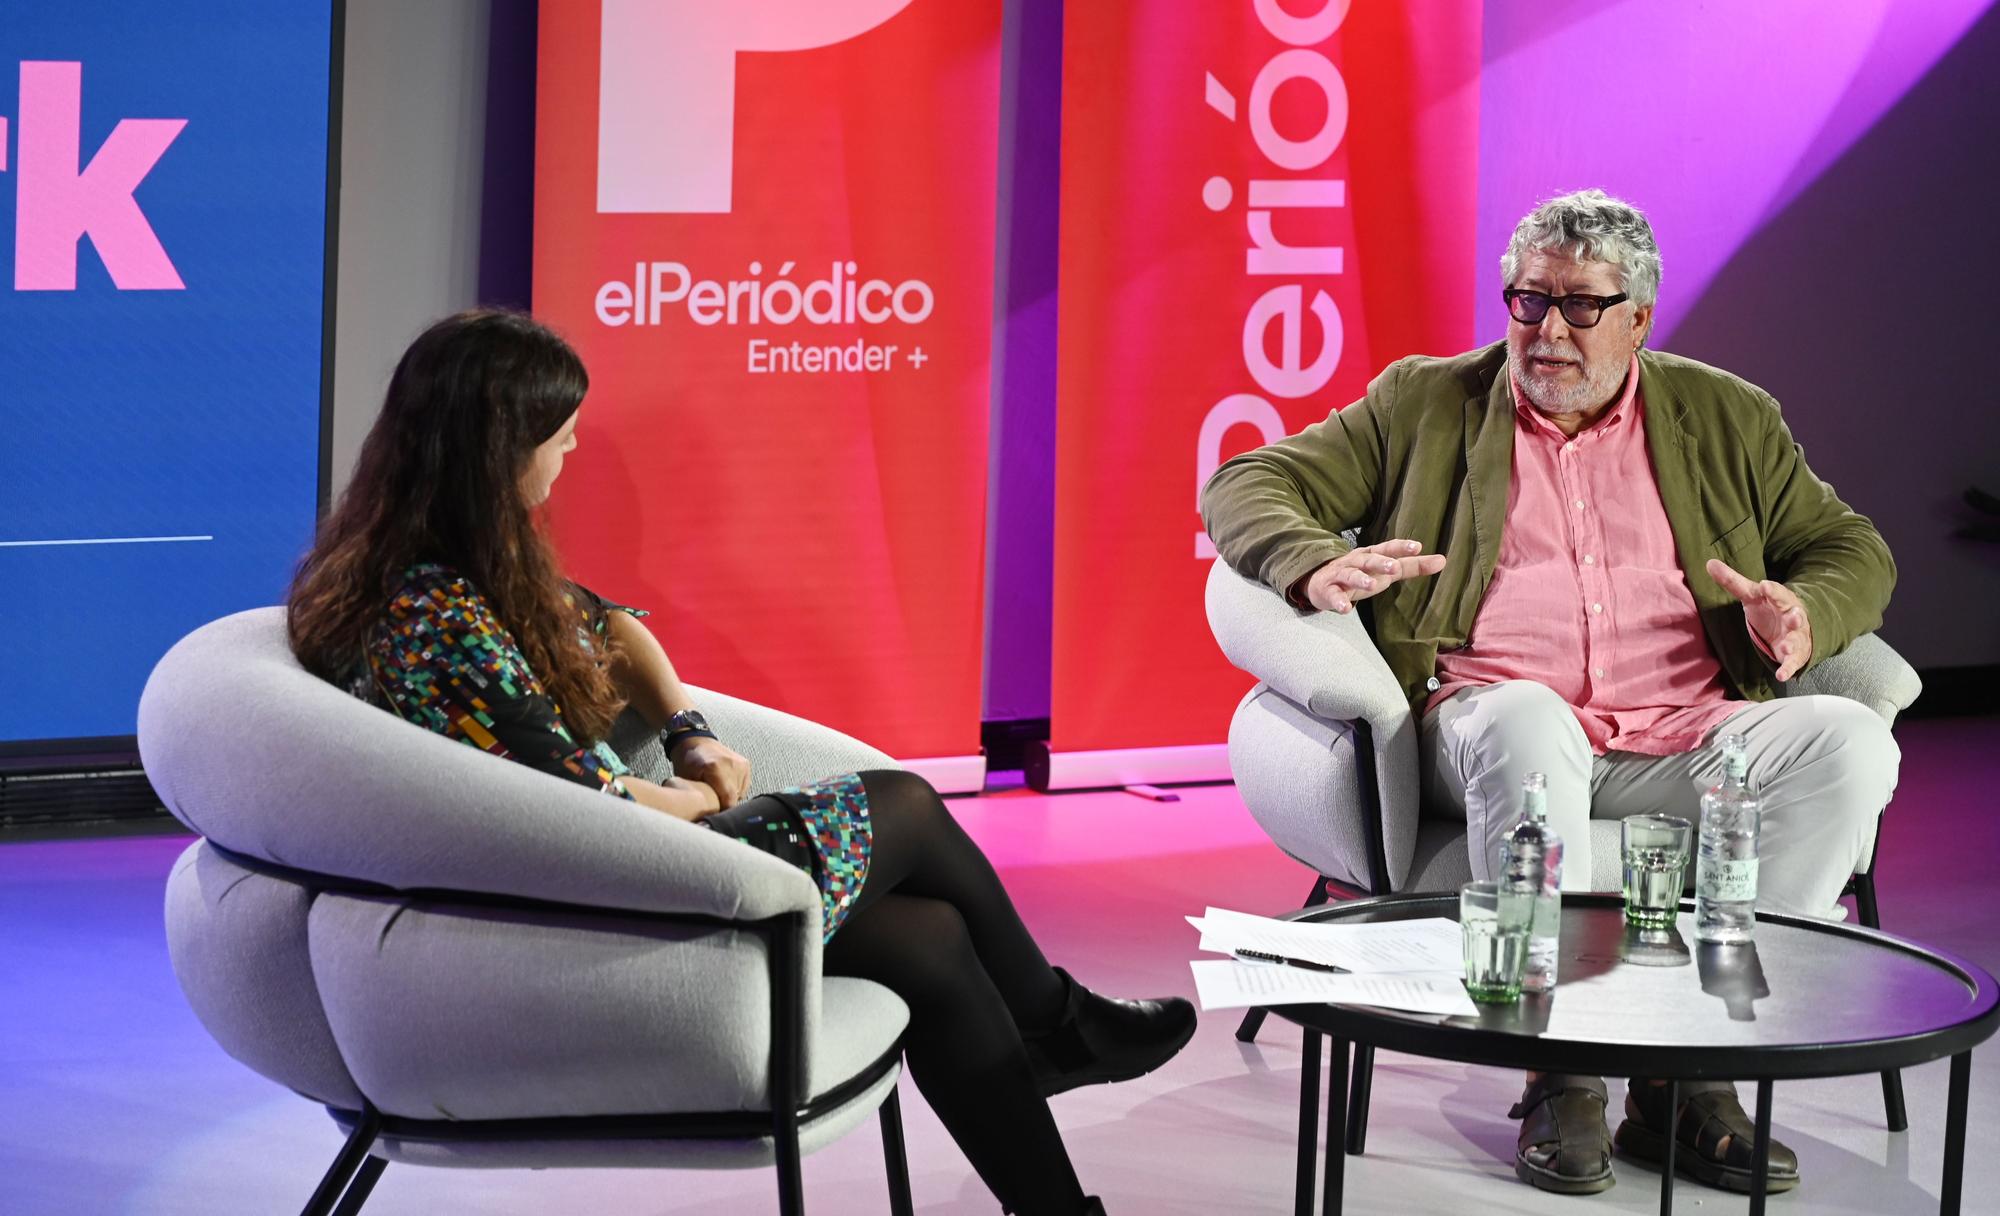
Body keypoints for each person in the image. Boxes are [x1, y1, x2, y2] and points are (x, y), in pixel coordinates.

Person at [286, 309, 1197, 1216]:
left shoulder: (435, 551)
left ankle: (1055, 1184)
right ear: (496, 449)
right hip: (593, 882)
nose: (570, 457)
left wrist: (689, 728)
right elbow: (586, 802)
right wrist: (690, 798)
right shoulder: (433, 613)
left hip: (599, 852)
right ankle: (1054, 1023)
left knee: (934, 943)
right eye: (559, 441)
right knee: (909, 805)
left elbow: (608, 624)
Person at [1202, 189, 1898, 1198]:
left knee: (1847, 742)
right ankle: (1559, 1065)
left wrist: (1802, 609)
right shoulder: (1425, 401)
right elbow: (1248, 479)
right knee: (1529, 720)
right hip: (1495, 719)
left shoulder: (1723, 413)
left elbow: (1849, 546)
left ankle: (1687, 1067)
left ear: (1637, 318)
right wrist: (1309, 561)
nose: (1548, 331)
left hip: (1683, 729)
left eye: (1579, 307)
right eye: (1527, 303)